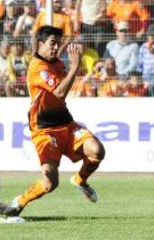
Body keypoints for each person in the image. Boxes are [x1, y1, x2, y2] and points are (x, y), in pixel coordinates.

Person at [11, 26, 105, 215]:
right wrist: (76, 66)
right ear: (40, 44)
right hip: (44, 130)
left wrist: (71, 67)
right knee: (49, 183)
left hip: (66, 124)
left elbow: (62, 88)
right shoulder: (38, 68)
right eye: (52, 44)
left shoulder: (58, 63)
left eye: (58, 44)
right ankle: (19, 202)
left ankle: (80, 180)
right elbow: (60, 92)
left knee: (97, 151)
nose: (56, 48)